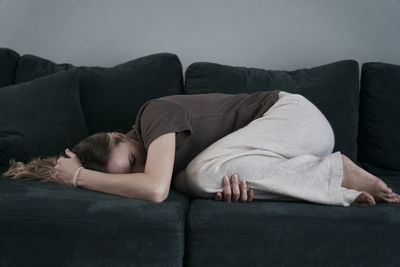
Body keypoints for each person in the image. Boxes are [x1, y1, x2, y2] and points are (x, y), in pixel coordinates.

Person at [3, 90, 400, 206]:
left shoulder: (153, 114)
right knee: (202, 179)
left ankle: (336, 171)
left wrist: (79, 177)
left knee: (193, 176)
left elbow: (156, 190)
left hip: (295, 118)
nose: (145, 170)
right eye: (134, 172)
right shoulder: (140, 142)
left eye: (135, 161)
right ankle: (329, 181)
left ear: (121, 136)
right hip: (288, 148)